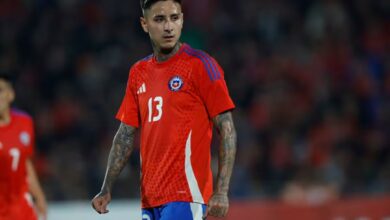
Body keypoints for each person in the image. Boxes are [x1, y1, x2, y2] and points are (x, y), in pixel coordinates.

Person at [91, 0, 237, 219]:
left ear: (182, 20)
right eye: (159, 19)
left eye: (174, 18)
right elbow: (125, 134)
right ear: (144, 24)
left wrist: (222, 191)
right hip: (150, 198)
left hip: (186, 194)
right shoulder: (138, 72)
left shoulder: (200, 65)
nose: (168, 27)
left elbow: (227, 129)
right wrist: (106, 187)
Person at [0, 73, 47, 220]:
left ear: (10, 95)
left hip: (23, 209)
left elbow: (25, 162)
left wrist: (39, 196)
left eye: (0, 90)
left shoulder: (25, 123)